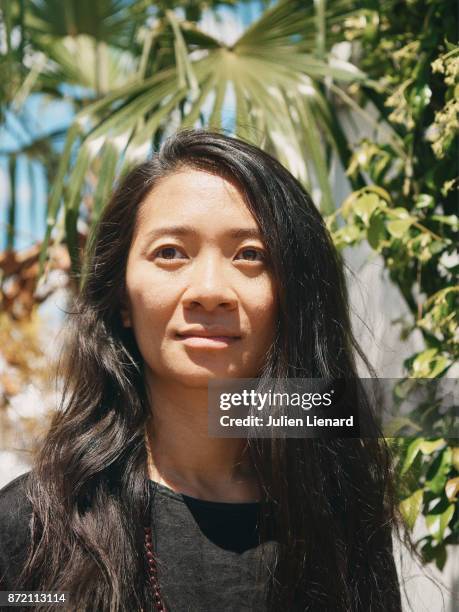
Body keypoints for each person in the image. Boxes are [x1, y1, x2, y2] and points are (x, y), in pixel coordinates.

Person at [0, 130, 407, 611]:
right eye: (170, 252)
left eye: (250, 255)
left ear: (292, 296)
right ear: (122, 297)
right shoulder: (31, 526)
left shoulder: (344, 519)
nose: (210, 289)